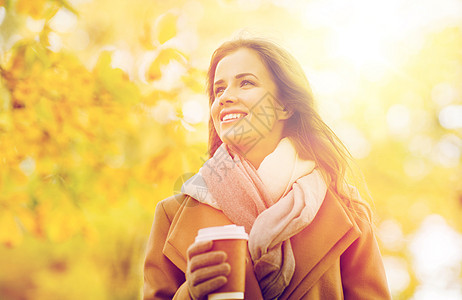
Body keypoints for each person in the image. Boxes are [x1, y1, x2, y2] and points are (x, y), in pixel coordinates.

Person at [143, 37, 391, 299]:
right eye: (219, 90)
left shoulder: (345, 208)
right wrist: (190, 294)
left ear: (285, 105)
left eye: (246, 82)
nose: (225, 97)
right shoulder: (173, 214)